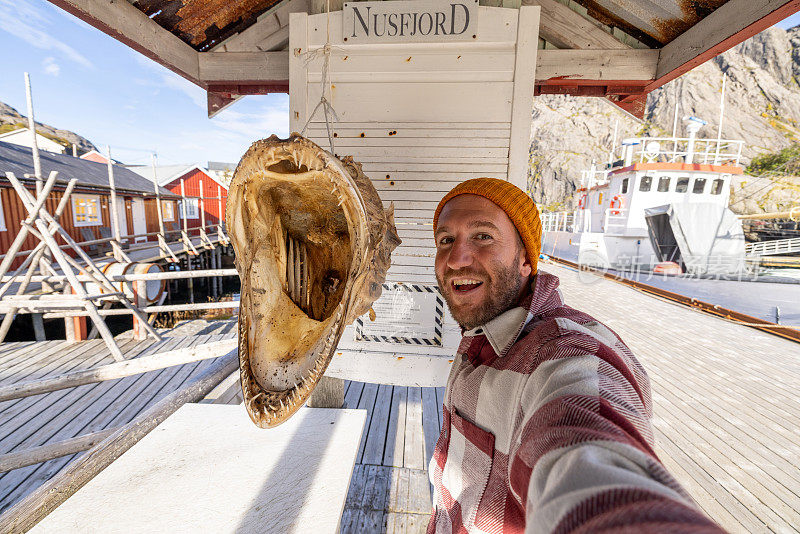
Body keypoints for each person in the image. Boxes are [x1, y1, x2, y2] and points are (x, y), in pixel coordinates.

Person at [427, 178, 723, 533]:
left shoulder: (566, 353)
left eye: (483, 237)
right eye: (446, 240)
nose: (457, 258)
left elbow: (586, 450)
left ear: (525, 260)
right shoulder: (482, 331)